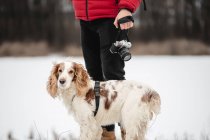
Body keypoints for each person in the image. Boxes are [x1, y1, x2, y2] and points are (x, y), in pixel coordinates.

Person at [70, 0, 142, 139]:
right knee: (94, 79)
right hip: (85, 18)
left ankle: (129, 134)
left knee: (114, 79)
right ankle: (106, 134)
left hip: (112, 17)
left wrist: (126, 7)